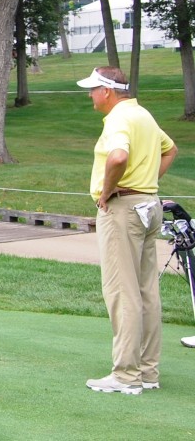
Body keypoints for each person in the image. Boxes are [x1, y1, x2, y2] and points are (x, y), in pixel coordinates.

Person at [78, 66, 178, 394]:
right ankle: (148, 372)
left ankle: (126, 374)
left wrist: (108, 191)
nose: (90, 94)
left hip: (123, 210)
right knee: (146, 290)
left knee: (123, 291)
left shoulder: (120, 118)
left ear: (107, 91)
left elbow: (118, 157)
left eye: (93, 89)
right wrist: (147, 182)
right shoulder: (143, 115)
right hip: (149, 205)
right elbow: (170, 149)